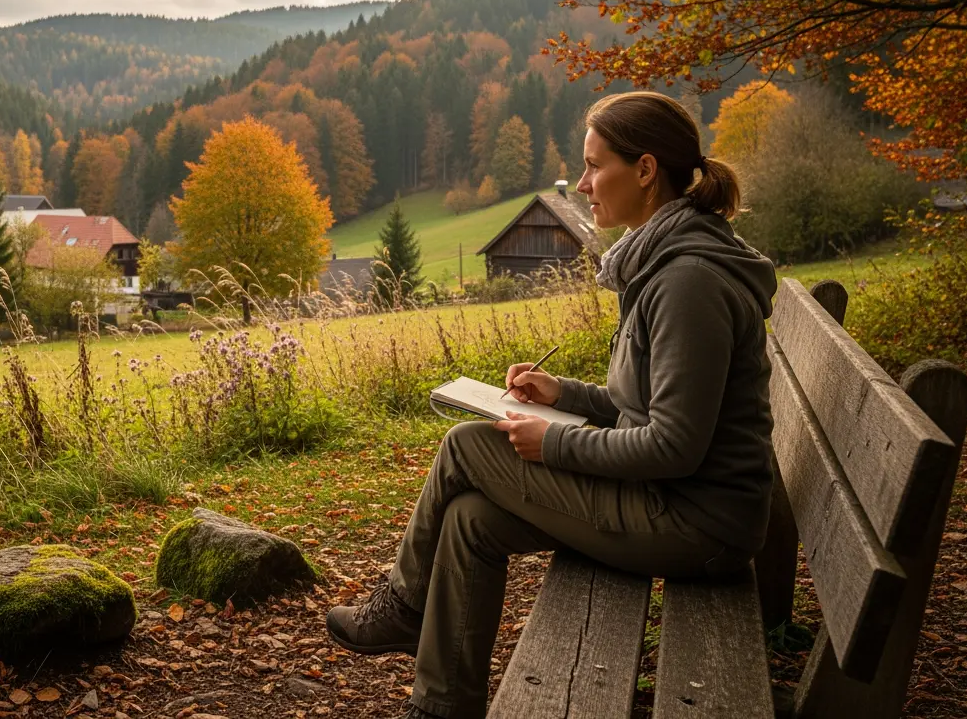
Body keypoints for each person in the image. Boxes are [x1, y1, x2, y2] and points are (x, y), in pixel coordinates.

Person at [326, 91, 778, 719]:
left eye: (596, 166)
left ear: (646, 170)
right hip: (677, 504)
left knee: (465, 444)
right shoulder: (667, 260)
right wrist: (563, 394)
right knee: (470, 522)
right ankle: (441, 706)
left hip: (698, 525)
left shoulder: (687, 282)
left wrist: (554, 440)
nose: (586, 184)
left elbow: (675, 445)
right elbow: (640, 408)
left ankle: (404, 607)